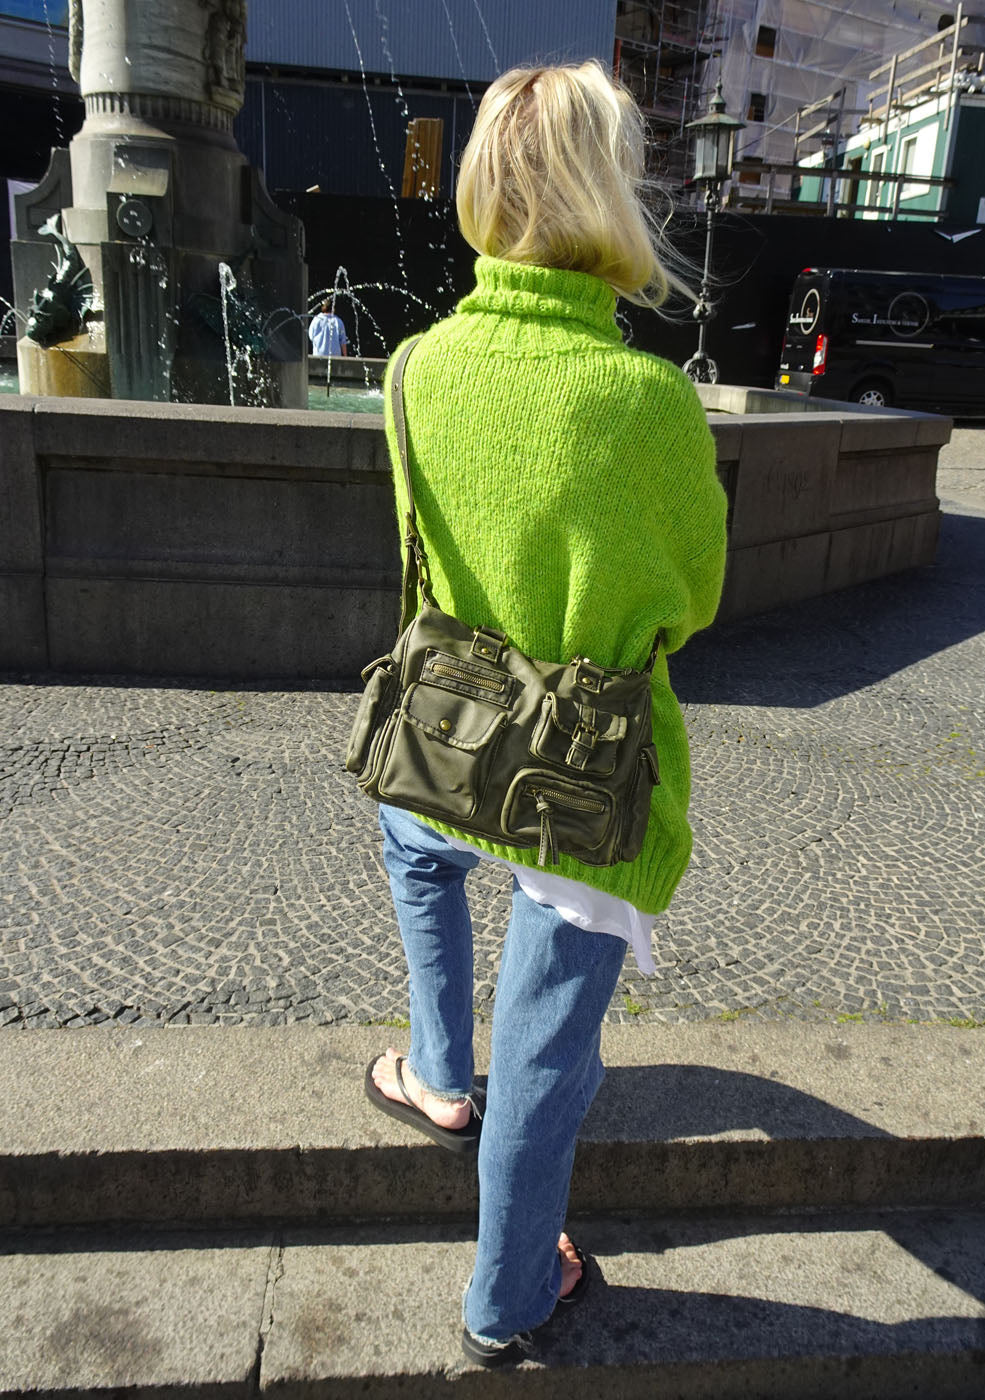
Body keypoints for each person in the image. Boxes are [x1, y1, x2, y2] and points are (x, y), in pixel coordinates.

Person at [364, 60, 727, 1367]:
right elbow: (690, 600)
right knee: (542, 1052)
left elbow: (421, 557)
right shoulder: (648, 401)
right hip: (584, 779)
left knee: (414, 845)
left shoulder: (413, 368)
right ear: (607, 195)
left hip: (450, 737)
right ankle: (508, 1299)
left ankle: (431, 1073)